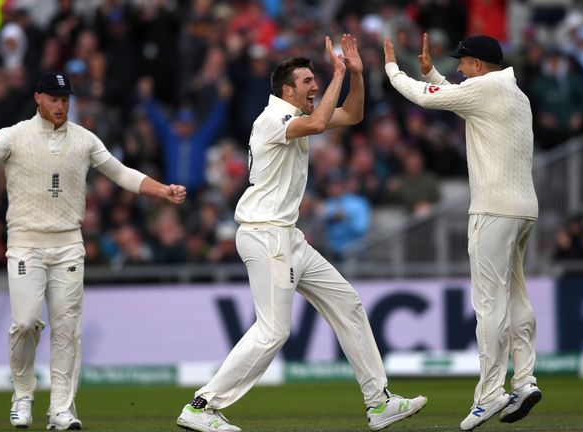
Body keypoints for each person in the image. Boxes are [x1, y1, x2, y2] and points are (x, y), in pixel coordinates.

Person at [175, 34, 427, 432]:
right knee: (273, 331)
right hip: (265, 234)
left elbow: (352, 115)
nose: (314, 87)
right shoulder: (273, 118)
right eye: (308, 82)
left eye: (316, 80)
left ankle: (378, 402)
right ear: (287, 90)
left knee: (348, 305)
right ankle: (202, 406)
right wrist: (338, 72)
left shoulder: (295, 117)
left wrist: (356, 75)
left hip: (288, 236)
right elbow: (323, 119)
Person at [0, 71, 187, 430]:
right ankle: (23, 394)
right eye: (55, 99)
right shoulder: (13, 136)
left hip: (68, 245)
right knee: (25, 322)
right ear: (38, 98)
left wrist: (163, 191)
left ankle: (62, 408)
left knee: (66, 328)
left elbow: (121, 174)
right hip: (26, 243)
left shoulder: (85, 140)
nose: (62, 105)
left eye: (66, 99)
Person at [384, 34, 542, 431]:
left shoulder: (484, 89)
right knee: (515, 295)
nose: (458, 67)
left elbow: (425, 97)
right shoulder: (512, 92)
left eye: (463, 62)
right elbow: (461, 97)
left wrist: (390, 69)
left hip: (493, 208)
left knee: (489, 303)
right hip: (523, 209)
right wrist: (433, 72)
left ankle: (490, 394)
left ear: (479, 64)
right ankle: (523, 380)